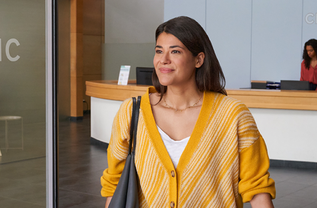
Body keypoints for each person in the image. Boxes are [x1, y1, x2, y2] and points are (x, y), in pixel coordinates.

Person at [101, 16, 276, 208]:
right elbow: (115, 184)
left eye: (175, 51)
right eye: (159, 51)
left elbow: (257, 188)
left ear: (199, 59)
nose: (163, 60)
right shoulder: (131, 112)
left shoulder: (233, 115)